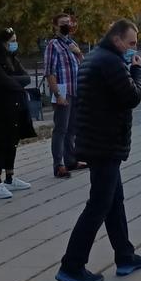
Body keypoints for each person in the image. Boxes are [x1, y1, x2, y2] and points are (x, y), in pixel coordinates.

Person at [56, 19, 141, 281]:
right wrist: (138, 72)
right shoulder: (110, 62)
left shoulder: (95, 58)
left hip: (97, 140)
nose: (134, 48)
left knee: (113, 201)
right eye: (131, 43)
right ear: (118, 39)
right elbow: (132, 97)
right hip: (105, 143)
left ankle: (125, 255)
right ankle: (72, 264)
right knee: (99, 204)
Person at [0, 28, 37, 199]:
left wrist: (14, 81)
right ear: (3, 41)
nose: (15, 43)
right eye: (12, 40)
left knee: (12, 141)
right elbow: (0, 80)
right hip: (0, 107)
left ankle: (9, 177)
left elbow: (26, 78)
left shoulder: (12, 57)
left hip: (15, 105)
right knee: (0, 143)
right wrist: (16, 82)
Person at [44, 13, 85, 179]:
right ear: (55, 26)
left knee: (72, 129)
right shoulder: (53, 45)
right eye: (63, 23)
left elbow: (83, 64)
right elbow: (49, 72)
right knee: (61, 129)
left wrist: (78, 53)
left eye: (68, 22)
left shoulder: (72, 43)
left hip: (76, 92)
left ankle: (71, 160)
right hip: (63, 92)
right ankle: (58, 165)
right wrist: (58, 94)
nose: (67, 25)